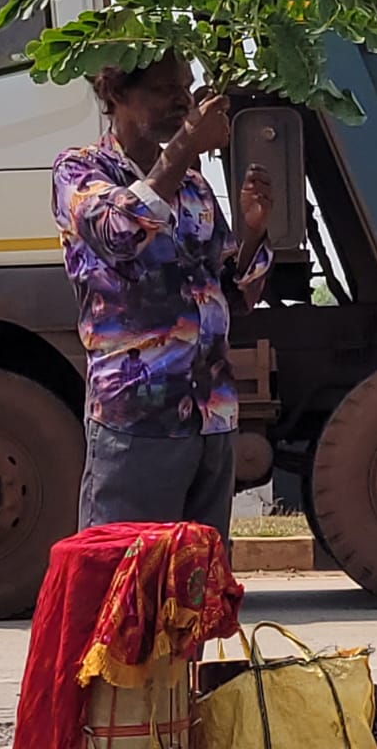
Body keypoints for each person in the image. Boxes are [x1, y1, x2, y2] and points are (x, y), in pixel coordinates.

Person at [52, 54, 274, 540]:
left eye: (187, 88)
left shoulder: (194, 187)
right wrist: (186, 147)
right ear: (116, 95)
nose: (183, 100)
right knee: (122, 583)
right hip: (137, 420)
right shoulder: (81, 171)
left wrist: (253, 234)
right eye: (164, 89)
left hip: (210, 419)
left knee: (196, 593)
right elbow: (118, 232)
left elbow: (233, 296)